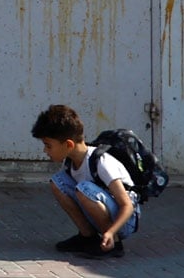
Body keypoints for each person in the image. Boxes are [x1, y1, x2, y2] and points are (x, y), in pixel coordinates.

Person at [30, 104, 139, 258]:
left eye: (48, 146)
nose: (45, 151)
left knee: (84, 188)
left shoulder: (101, 162)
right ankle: (87, 237)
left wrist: (110, 232)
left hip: (123, 222)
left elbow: (127, 205)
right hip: (101, 211)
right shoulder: (70, 162)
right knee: (58, 182)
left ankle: (113, 244)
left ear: (68, 144)